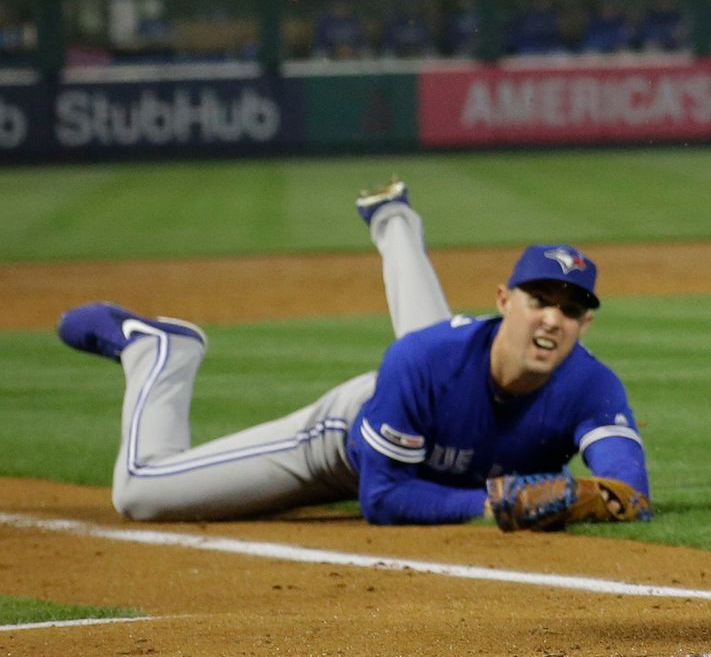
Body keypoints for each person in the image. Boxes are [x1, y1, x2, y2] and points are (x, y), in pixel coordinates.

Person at [55, 180, 651, 528]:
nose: (553, 318)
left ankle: (393, 216)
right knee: (140, 494)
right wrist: (495, 502)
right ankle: (161, 354)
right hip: (343, 445)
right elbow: (383, 495)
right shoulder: (426, 361)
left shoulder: (591, 384)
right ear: (504, 299)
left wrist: (600, 502)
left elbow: (631, 491)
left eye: (570, 309)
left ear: (585, 322)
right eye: (539, 299)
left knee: (434, 350)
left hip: (438, 384)